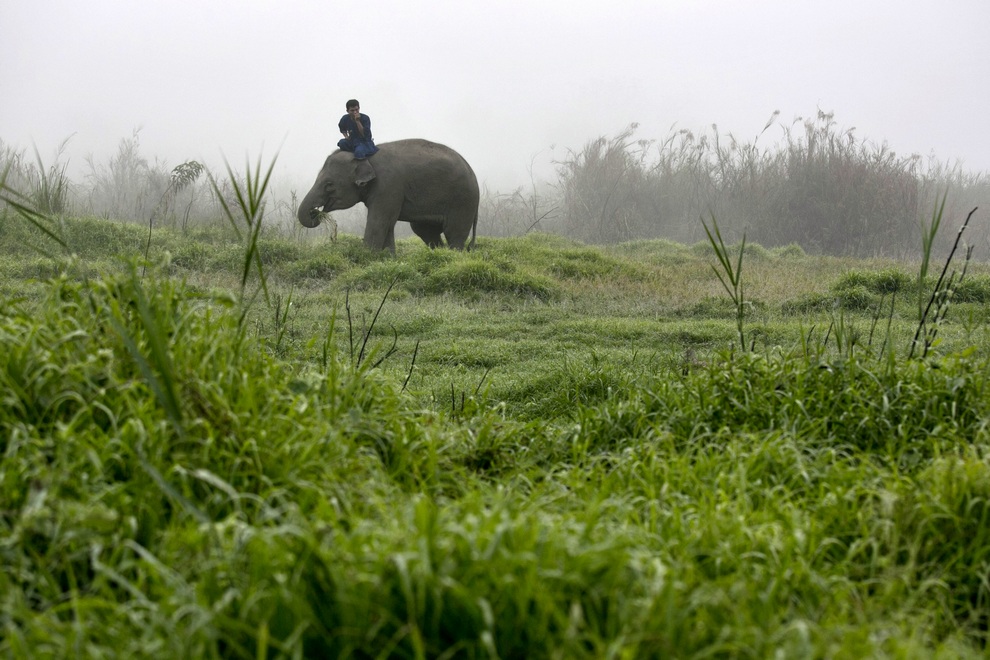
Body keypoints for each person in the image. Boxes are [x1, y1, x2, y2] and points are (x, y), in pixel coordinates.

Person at [337, 99, 378, 184]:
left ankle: (366, 175)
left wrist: (357, 121)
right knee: (341, 143)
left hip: (364, 142)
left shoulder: (365, 118)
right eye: (352, 110)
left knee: (359, 152)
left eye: (357, 109)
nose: (355, 112)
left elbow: (364, 134)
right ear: (347, 111)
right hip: (353, 141)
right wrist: (346, 136)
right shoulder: (345, 118)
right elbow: (342, 128)